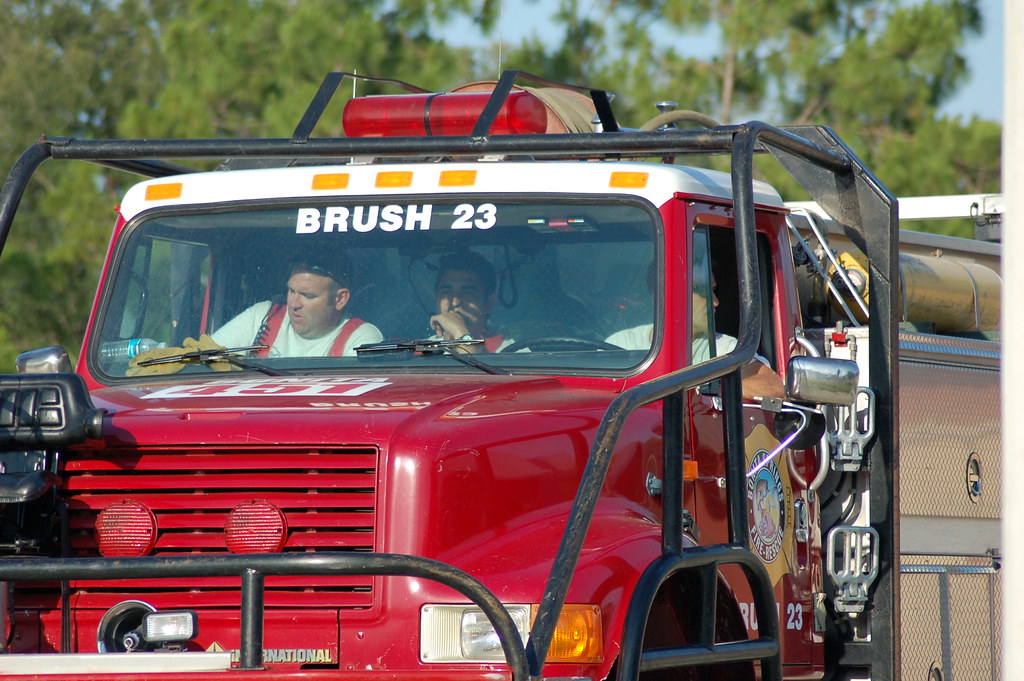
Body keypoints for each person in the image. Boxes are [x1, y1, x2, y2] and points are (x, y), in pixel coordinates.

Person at [605, 271, 784, 400]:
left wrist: (705, 392)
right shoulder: (620, 343)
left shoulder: (726, 347)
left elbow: (772, 386)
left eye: (715, 292)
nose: (715, 302)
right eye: (705, 292)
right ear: (668, 293)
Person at [212, 256, 383, 357]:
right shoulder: (263, 315)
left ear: (340, 299)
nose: (294, 304)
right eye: (292, 291)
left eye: (307, 296)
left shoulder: (361, 338)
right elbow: (202, 358)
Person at [427, 251, 513, 353]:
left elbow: (473, 369)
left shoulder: (513, 354)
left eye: (467, 292)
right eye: (446, 292)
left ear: (489, 303)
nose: (455, 302)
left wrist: (460, 333)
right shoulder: (422, 350)